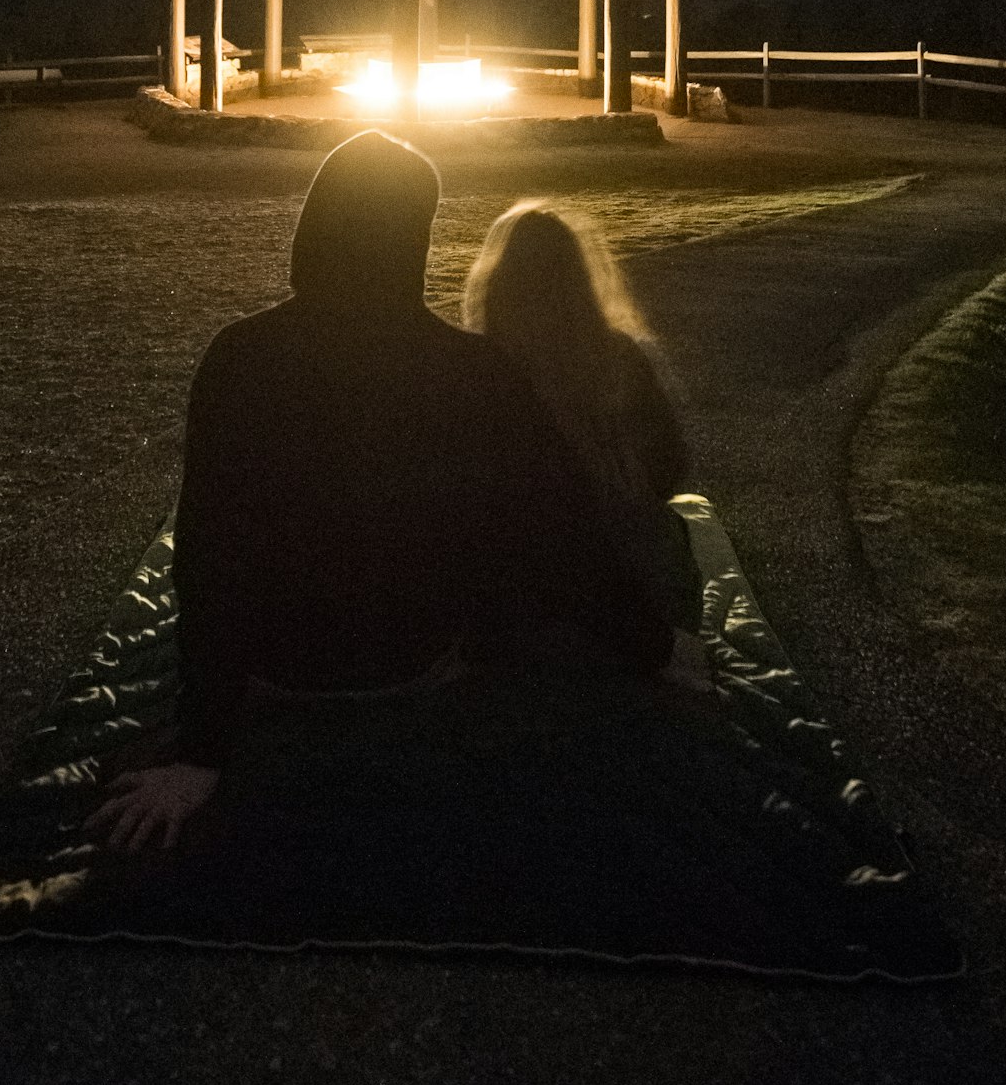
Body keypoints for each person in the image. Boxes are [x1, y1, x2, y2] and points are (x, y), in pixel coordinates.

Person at [86, 131, 672, 855]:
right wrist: (650, 642)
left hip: (276, 662)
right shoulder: (476, 372)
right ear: (414, 239)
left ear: (316, 225)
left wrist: (201, 749)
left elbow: (210, 554)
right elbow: (557, 529)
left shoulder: (239, 358)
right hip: (413, 657)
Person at [461, 204, 707, 671]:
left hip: (524, 609)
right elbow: (668, 469)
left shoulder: (481, 371)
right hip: (641, 592)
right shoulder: (618, 357)